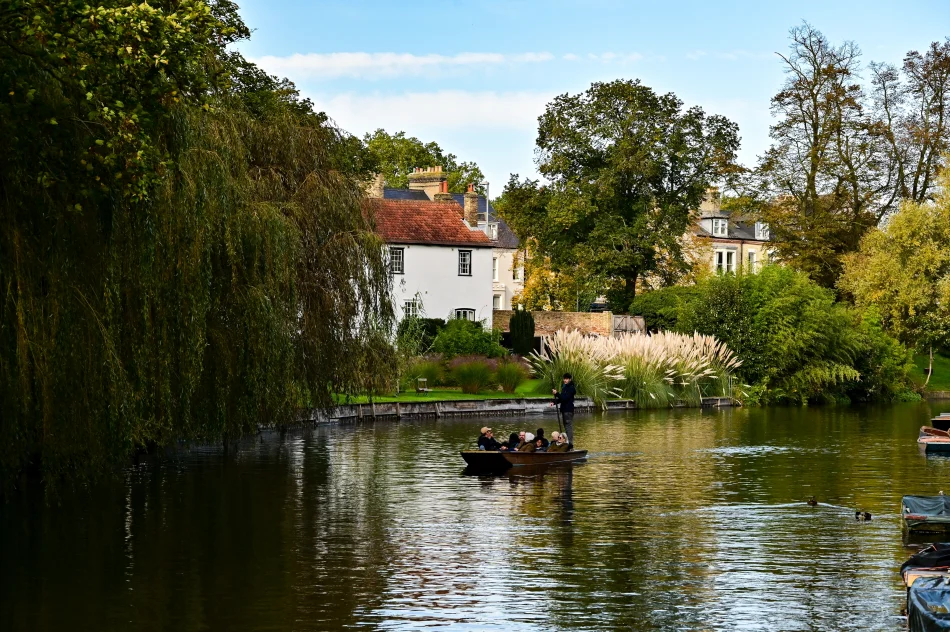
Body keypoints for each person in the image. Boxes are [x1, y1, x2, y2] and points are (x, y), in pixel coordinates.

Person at [553, 373, 576, 447]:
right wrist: (554, 402)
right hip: (564, 409)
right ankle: (567, 442)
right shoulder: (565, 387)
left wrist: (557, 393)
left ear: (570, 379)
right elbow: (562, 398)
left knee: (568, 426)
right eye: (564, 379)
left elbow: (565, 398)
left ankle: (570, 443)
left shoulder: (571, 388)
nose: (565, 380)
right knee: (566, 426)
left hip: (568, 410)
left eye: (566, 379)